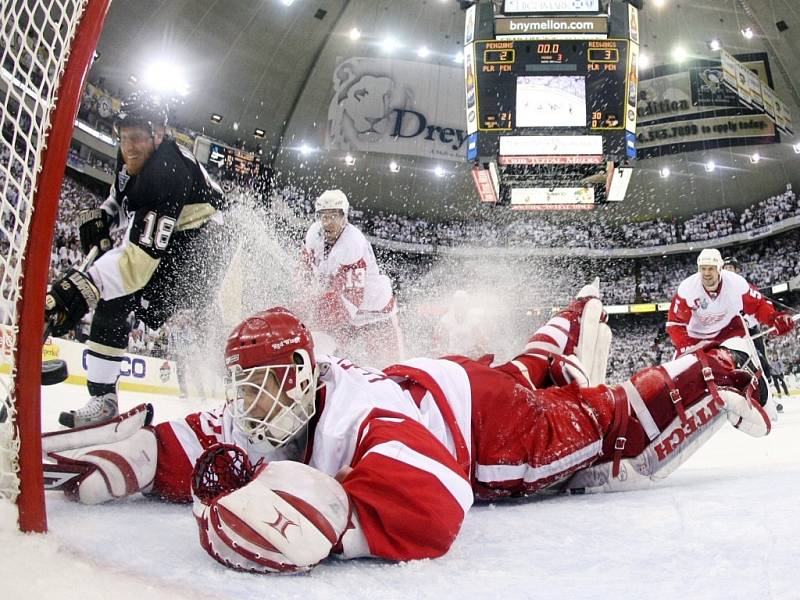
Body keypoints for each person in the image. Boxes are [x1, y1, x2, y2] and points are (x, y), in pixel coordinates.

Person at [42, 284, 775, 574]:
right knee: (528, 367)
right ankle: (570, 312)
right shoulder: (280, 399)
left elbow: (438, 498)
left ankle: (723, 362)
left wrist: (339, 521)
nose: (248, 406)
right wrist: (135, 452)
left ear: (300, 376)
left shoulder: (365, 417)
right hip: (446, 380)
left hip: (493, 430)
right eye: (244, 389)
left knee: (606, 422)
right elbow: (199, 435)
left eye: (262, 387)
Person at [44, 91, 229, 427]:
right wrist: (104, 215)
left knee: (118, 291)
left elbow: (138, 264)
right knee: (113, 297)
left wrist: (86, 283)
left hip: (204, 251)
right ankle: (102, 398)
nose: (128, 146)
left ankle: (103, 399)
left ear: (159, 134)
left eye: (137, 138)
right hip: (180, 238)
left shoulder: (168, 171)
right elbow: (121, 195)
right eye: (123, 136)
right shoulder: (132, 154)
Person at [299, 189, 402, 366]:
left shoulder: (352, 243)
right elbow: (304, 270)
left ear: (344, 217)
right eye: (324, 216)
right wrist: (302, 300)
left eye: (333, 216)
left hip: (375, 312)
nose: (327, 222)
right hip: (345, 310)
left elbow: (351, 301)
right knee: (327, 359)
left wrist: (313, 319)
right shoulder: (314, 235)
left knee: (388, 365)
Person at [666, 248, 794, 356]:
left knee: (750, 369)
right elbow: (674, 323)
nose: (706, 273)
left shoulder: (736, 283)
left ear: (720, 268)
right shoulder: (687, 288)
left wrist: (774, 319)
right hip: (694, 339)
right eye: (703, 268)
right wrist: (685, 345)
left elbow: (758, 306)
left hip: (727, 333)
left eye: (711, 268)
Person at [433, 289, 489, 357]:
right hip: (452, 355)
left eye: (462, 302)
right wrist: (442, 351)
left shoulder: (473, 320)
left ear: (466, 304)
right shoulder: (446, 319)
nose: (459, 305)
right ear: (454, 304)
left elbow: (481, 340)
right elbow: (439, 339)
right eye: (457, 302)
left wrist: (478, 350)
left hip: (469, 356)